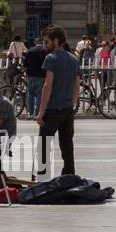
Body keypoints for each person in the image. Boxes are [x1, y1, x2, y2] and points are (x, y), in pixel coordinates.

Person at [37, 26, 79, 177]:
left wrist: (41, 112)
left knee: (43, 145)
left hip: (52, 109)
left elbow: (47, 85)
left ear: (56, 41)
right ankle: (69, 176)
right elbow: (76, 86)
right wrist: (71, 105)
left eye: (47, 41)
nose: (45, 45)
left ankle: (43, 176)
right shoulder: (74, 59)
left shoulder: (51, 58)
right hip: (67, 110)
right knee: (67, 146)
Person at [22, 37, 49, 118]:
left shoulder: (30, 51)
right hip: (41, 76)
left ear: (35, 42)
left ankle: (30, 113)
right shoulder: (45, 51)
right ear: (42, 42)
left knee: (30, 95)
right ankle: (37, 113)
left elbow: (25, 64)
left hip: (31, 76)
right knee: (39, 95)